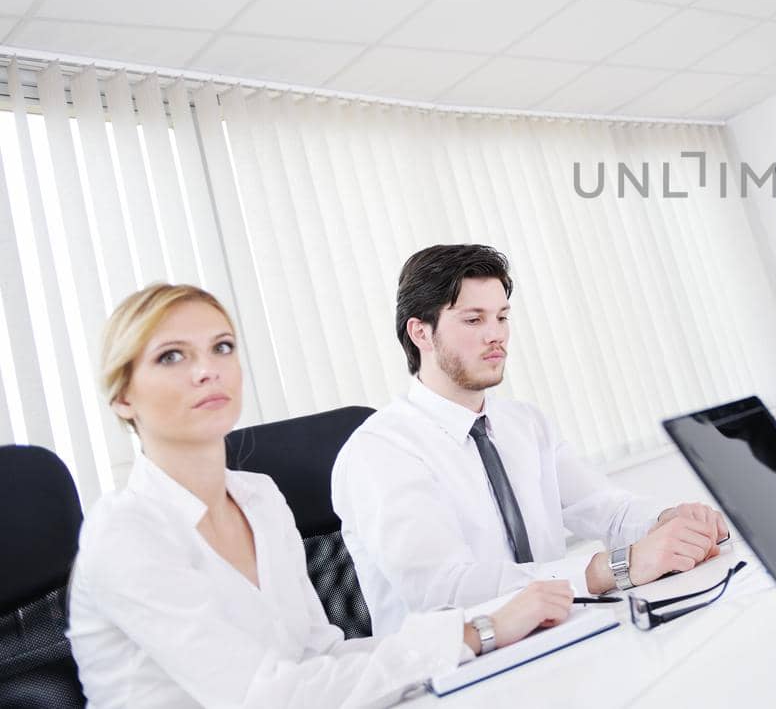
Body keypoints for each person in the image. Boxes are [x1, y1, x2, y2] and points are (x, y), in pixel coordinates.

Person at [68, 283, 573, 709]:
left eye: (221, 347)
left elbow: (319, 655)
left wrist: (481, 632)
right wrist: (474, 634)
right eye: (171, 355)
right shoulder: (125, 532)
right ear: (123, 397)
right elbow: (265, 698)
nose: (208, 369)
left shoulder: (258, 497)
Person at [333, 244, 727, 636]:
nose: (496, 336)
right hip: (456, 673)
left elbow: (606, 509)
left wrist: (668, 523)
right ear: (421, 332)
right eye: (473, 320)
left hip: (559, 636)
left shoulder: (524, 422)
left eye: (502, 317)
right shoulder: (380, 451)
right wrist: (608, 569)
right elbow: (444, 591)